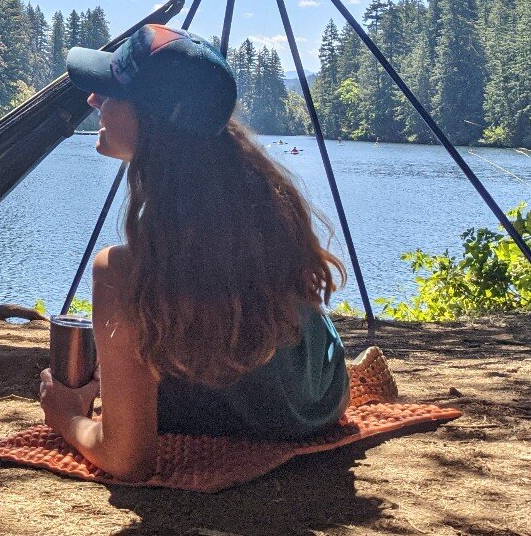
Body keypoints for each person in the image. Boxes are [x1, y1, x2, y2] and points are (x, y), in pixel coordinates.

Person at [38, 24, 348, 480]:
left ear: (151, 119)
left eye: (109, 92)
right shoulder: (266, 201)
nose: (93, 101)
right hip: (317, 400)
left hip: (265, 416)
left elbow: (128, 460)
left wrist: (64, 414)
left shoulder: (124, 270)